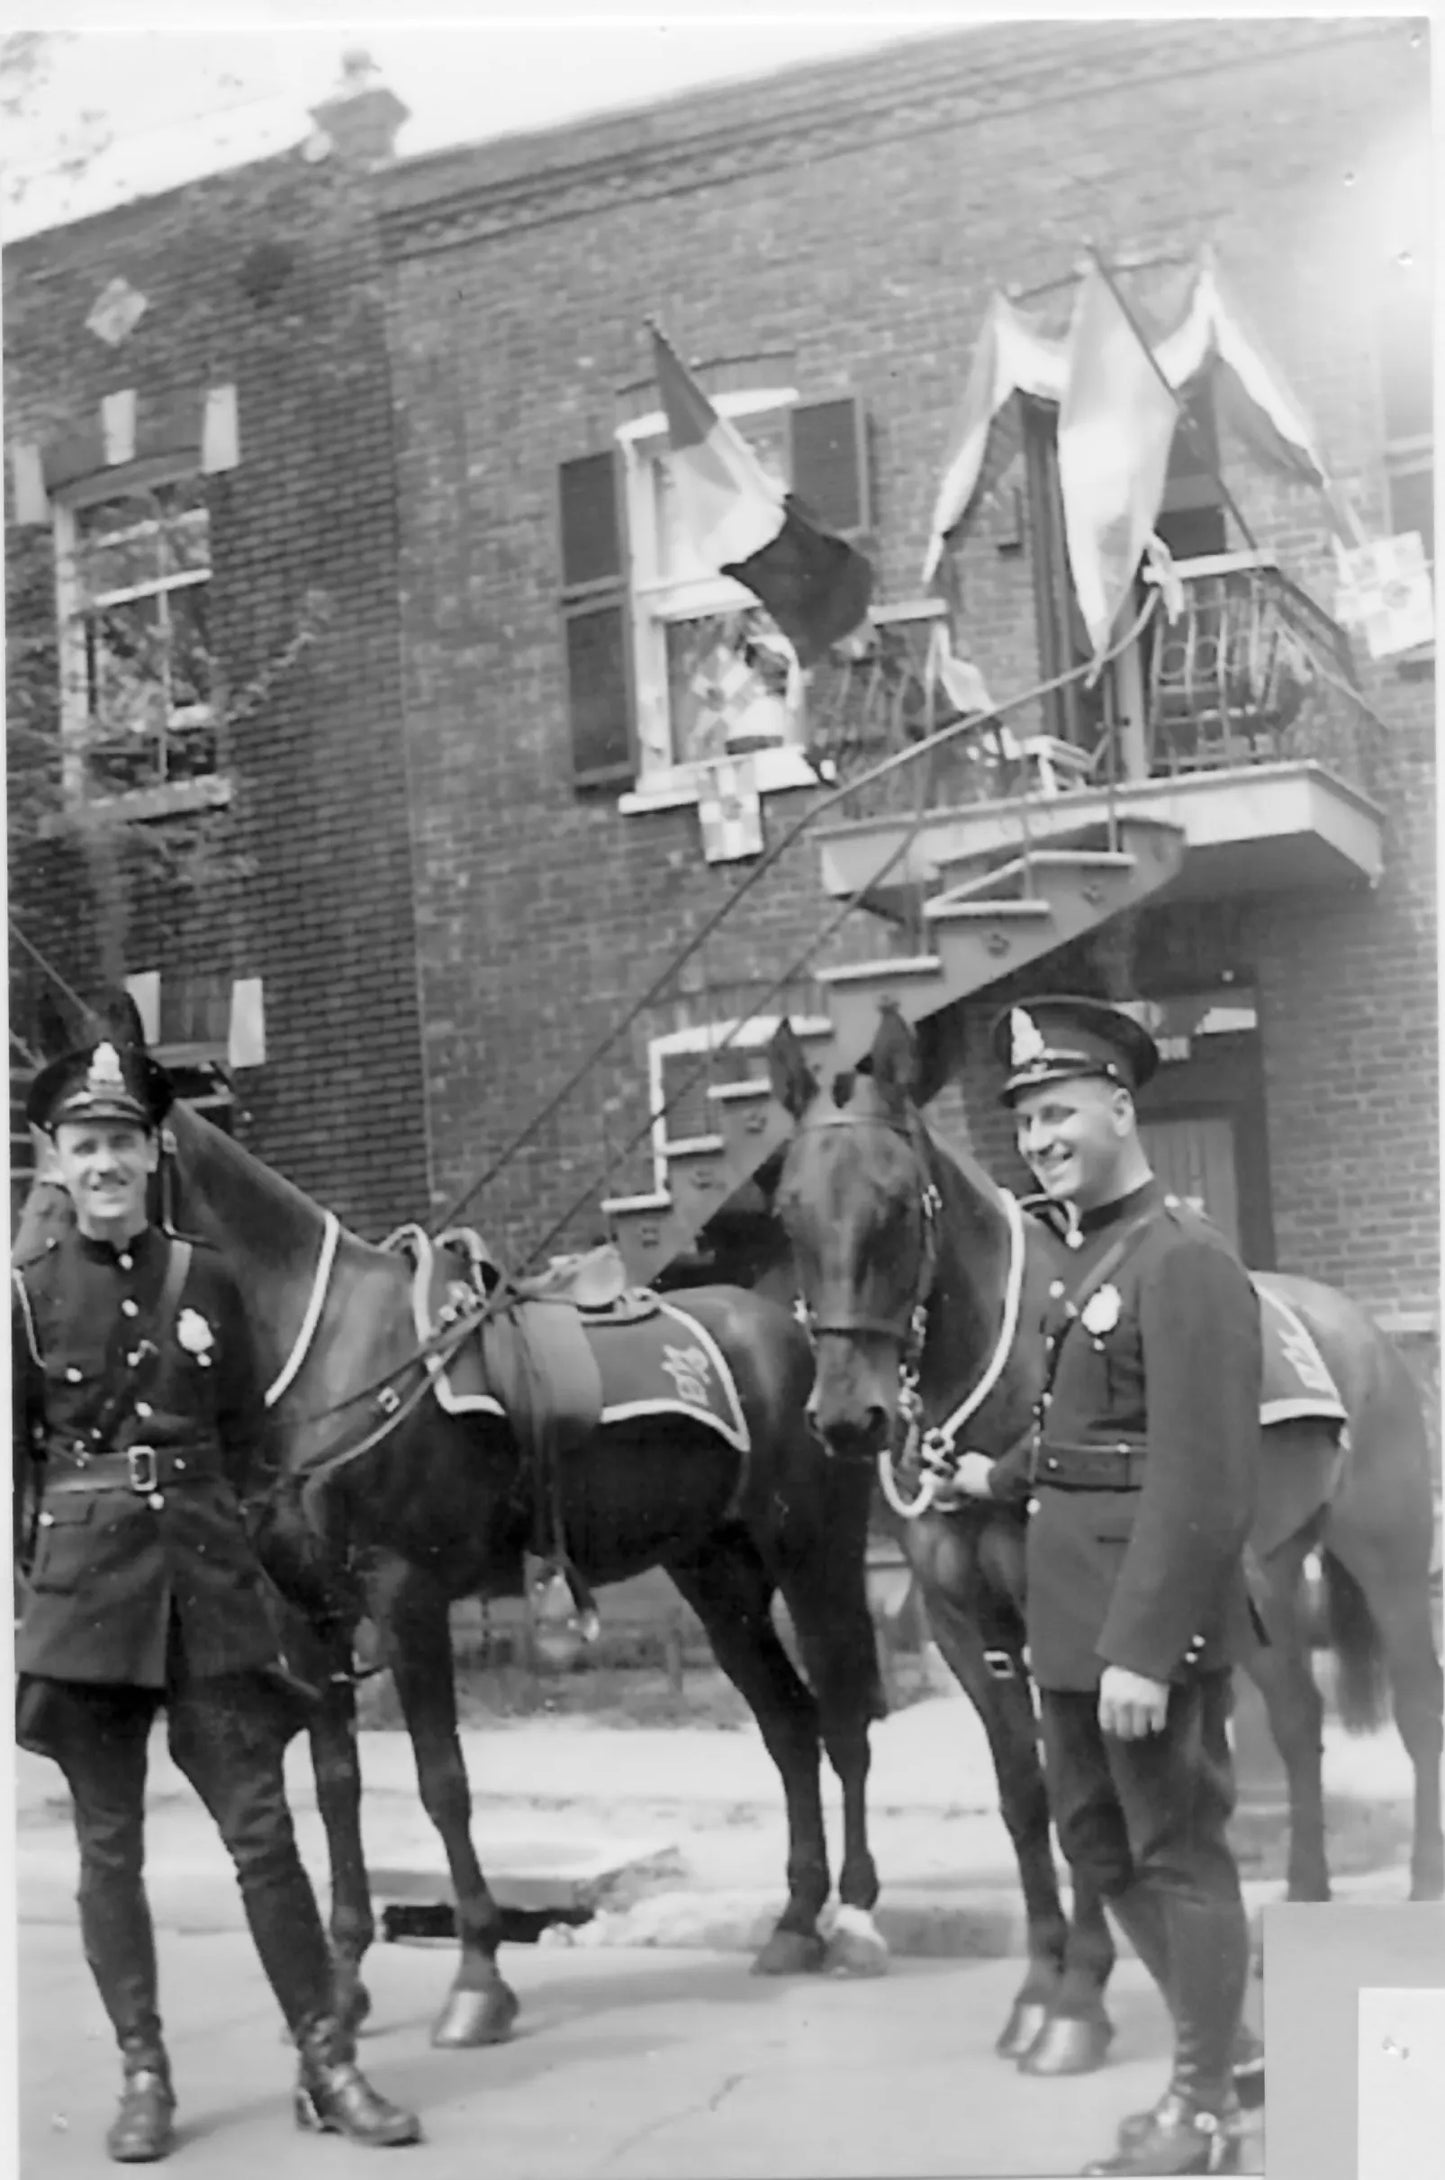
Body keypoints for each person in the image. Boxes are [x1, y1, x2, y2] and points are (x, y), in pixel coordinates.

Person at [11, 1038, 421, 2162]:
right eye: (85, 1144)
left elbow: (250, 1441)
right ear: (58, 1157)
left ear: (150, 1155)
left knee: (261, 1830)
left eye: (124, 1143)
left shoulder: (208, 1277)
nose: (106, 1163)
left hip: (206, 1586)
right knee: (109, 1846)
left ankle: (326, 2061)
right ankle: (144, 2071)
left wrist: (232, 1547)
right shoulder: (25, 1294)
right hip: (85, 1593)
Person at [962, 996, 1263, 2177]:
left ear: (1120, 1108)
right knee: (1095, 1841)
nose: (1038, 1136)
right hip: (1069, 1627)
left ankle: (1201, 2109)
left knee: (1179, 1849)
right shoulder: (1086, 1256)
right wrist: (992, 1469)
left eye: (1058, 1110)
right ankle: (1223, 2041)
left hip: (1140, 1631)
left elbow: (1203, 1474)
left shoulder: (1182, 1257)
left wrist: (1144, 1645)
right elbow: (1086, 1432)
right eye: (1025, 1118)